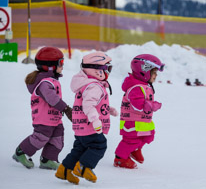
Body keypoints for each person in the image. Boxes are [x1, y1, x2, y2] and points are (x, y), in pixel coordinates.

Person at [55, 51, 118, 184]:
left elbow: (93, 103)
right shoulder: (95, 86)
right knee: (99, 145)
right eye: (108, 69)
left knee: (80, 149)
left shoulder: (86, 85)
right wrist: (95, 120)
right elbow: (88, 104)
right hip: (90, 126)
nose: (108, 72)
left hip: (80, 127)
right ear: (97, 71)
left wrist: (108, 110)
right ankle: (84, 167)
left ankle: (64, 170)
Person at [12, 47, 72, 170]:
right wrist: (65, 108)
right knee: (41, 137)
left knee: (57, 137)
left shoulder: (52, 80)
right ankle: (20, 152)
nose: (63, 65)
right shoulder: (45, 83)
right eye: (60, 63)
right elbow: (52, 99)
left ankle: (48, 159)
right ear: (50, 66)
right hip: (43, 118)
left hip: (54, 118)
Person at [113, 54, 164, 169]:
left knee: (148, 137)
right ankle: (120, 158)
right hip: (131, 121)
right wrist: (152, 105)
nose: (156, 75)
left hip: (141, 120)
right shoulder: (136, 87)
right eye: (154, 72)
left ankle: (135, 150)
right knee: (130, 140)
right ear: (144, 71)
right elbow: (139, 105)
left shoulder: (144, 85)